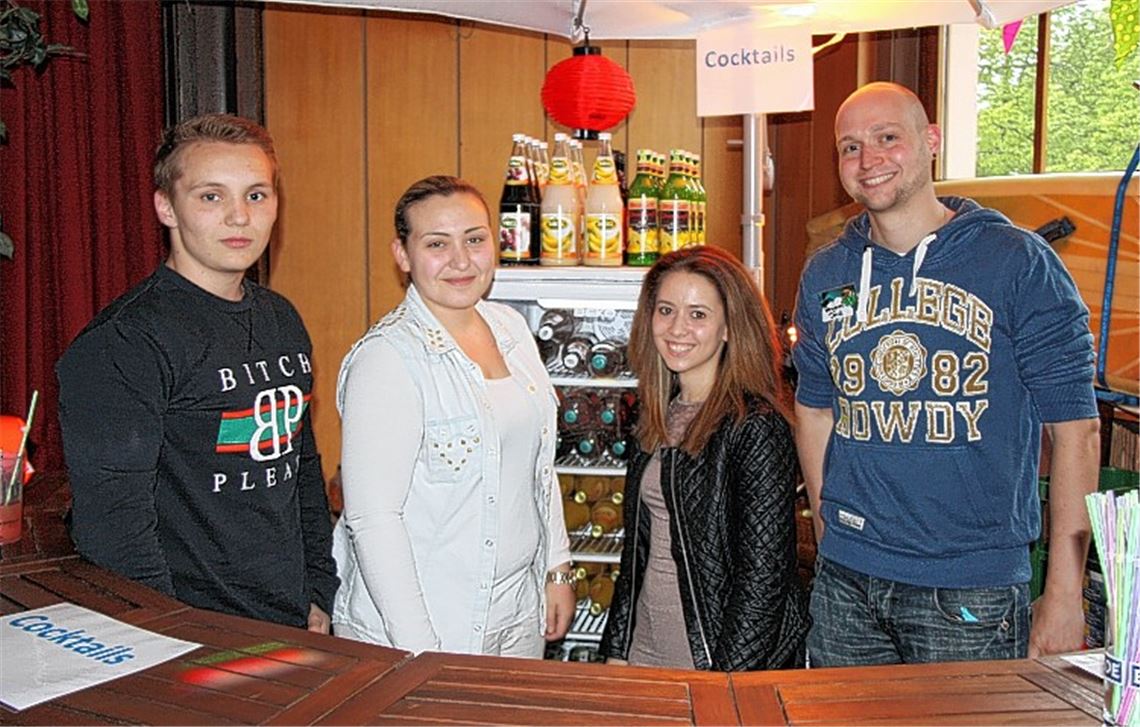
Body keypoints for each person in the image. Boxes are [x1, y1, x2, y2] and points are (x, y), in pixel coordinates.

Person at [793, 81, 1099, 666]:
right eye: (850, 147)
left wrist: (1064, 590)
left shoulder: (1016, 261)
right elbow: (814, 408)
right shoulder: (828, 271)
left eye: (888, 138)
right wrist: (830, 529)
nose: (869, 160)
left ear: (930, 140)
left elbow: (1076, 430)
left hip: (970, 589)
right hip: (847, 580)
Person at [57, 114, 339, 631]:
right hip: (189, 634)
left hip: (291, 619)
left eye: (257, 195)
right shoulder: (124, 343)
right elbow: (115, 530)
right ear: (166, 206)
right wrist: (174, 635)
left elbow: (300, 470)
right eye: (211, 196)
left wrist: (318, 589)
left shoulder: (281, 319)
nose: (239, 217)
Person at [331, 175, 574, 656]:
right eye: (437, 244)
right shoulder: (387, 359)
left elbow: (537, 468)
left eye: (475, 240)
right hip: (425, 628)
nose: (461, 261)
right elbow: (373, 518)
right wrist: (422, 649)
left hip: (516, 611)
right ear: (402, 255)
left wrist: (557, 567)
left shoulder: (510, 328)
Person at [599, 246, 810, 671]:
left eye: (698, 314)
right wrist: (617, 649)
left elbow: (763, 578)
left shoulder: (755, 426)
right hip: (647, 643)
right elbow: (636, 552)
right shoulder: (656, 414)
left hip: (710, 656)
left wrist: (725, 679)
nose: (678, 328)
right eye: (666, 310)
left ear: (729, 327)